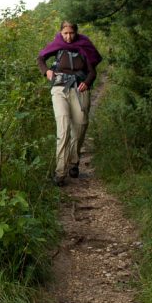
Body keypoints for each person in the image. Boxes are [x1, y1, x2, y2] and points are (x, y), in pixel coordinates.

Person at [37, 21, 103, 186]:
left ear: (76, 33)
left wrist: (87, 82)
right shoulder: (57, 45)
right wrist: (47, 71)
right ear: (61, 33)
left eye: (71, 33)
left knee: (81, 125)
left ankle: (74, 162)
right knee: (64, 126)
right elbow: (40, 58)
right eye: (65, 33)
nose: (68, 37)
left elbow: (92, 72)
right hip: (59, 89)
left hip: (79, 89)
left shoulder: (83, 45)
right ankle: (60, 172)